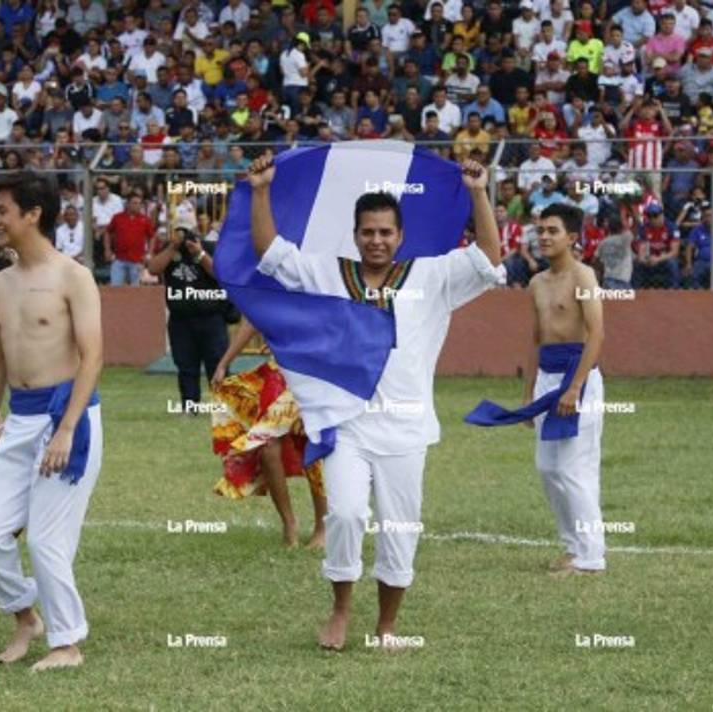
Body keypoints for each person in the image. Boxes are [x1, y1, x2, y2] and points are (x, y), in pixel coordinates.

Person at [246, 154, 502, 651]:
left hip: (407, 429)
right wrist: (260, 189)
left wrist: (478, 193)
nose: (377, 240)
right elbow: (270, 253)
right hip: (347, 426)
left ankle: (386, 626)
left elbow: (488, 259)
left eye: (386, 232)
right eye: (368, 232)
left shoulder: (431, 276)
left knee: (400, 530)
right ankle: (341, 609)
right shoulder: (328, 274)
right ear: (355, 235)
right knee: (344, 515)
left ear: (400, 236)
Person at [0, 171, 104, 672]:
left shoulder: (73, 276)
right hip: (19, 422)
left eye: (2, 211)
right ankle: (26, 617)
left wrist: (65, 429)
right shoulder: (0, 283)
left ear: (33, 214)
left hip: (66, 417)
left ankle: (67, 644)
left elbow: (93, 357)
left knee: (46, 540)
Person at [465, 203, 607, 575]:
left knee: (574, 467)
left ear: (572, 238)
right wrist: (528, 393)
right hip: (546, 376)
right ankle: (572, 546)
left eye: (552, 231)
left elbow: (596, 334)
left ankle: (591, 556)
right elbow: (535, 340)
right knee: (548, 468)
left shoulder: (584, 276)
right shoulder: (536, 283)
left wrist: (575, 387)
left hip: (578, 377)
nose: (543, 236)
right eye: (540, 230)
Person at [210, 317, 327, 548]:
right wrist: (224, 363)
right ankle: (289, 523)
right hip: (279, 373)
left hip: (317, 372)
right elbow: (252, 319)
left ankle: (322, 527)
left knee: (313, 443)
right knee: (266, 445)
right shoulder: (268, 291)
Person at [146, 226, 229, 409]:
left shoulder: (208, 247)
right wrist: (172, 247)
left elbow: (220, 274)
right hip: (180, 319)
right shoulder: (170, 250)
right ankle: (190, 406)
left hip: (210, 317)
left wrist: (199, 253)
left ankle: (222, 406)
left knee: (217, 363)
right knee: (185, 365)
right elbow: (153, 269)